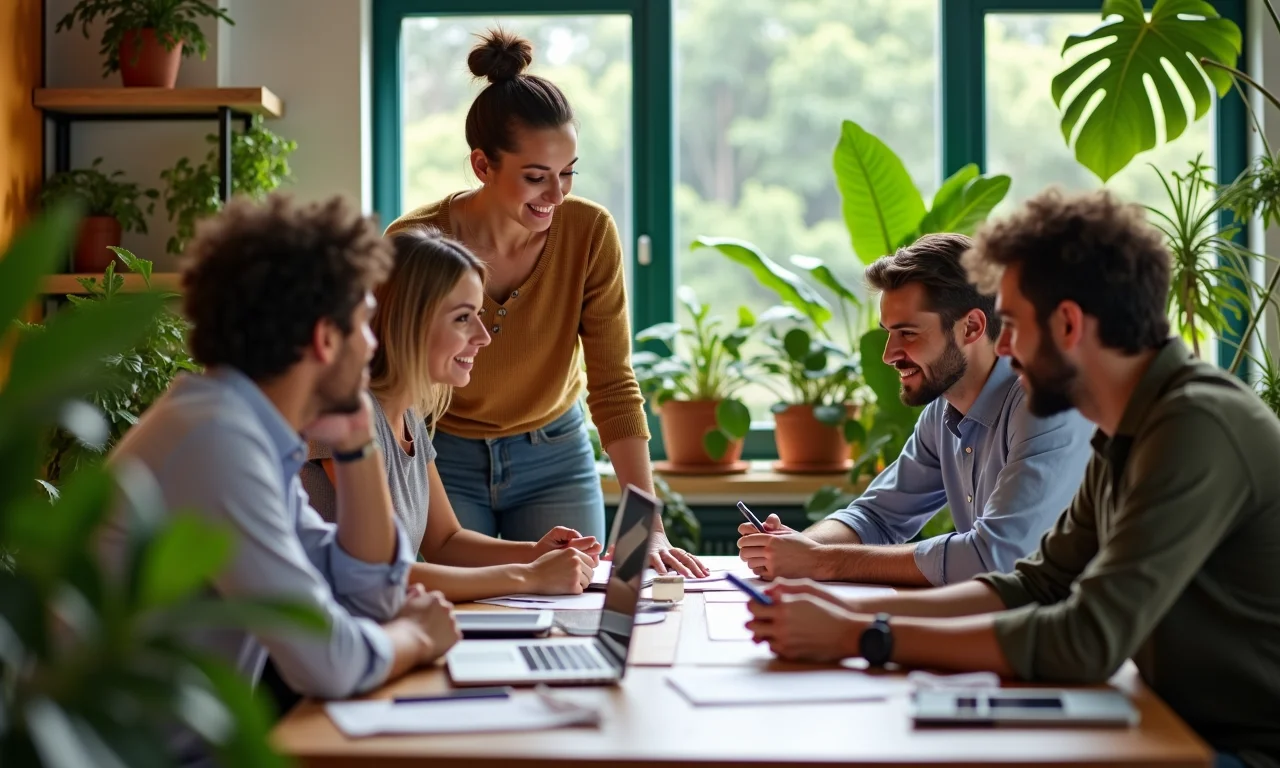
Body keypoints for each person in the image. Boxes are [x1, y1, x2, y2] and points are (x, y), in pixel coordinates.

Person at [745, 188, 1280, 768]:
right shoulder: (1128, 427)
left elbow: (1085, 639)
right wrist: (846, 615)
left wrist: (861, 636)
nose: (1001, 346)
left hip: (1232, 751)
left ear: (1068, 324)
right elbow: (1035, 583)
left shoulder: (1193, 427)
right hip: (1163, 726)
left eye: (1013, 324)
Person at [96, 194, 461, 761]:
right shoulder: (215, 440)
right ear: (325, 338)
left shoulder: (240, 430)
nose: (374, 343)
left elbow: (367, 596)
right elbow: (329, 660)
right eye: (365, 322)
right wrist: (414, 638)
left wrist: (358, 442)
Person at [384, 28, 706, 577]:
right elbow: (395, 382)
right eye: (536, 177)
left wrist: (646, 528)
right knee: (468, 609)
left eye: (568, 173)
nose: (557, 195)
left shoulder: (589, 232)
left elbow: (613, 383)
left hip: (554, 454)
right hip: (443, 452)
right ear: (482, 166)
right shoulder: (415, 243)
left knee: (573, 599)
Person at [737, 233, 1093, 586]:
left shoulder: (1045, 406)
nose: (888, 355)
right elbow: (876, 517)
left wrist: (820, 561)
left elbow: (994, 557)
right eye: (888, 333)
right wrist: (795, 548)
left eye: (907, 333)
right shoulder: (943, 411)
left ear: (971, 327)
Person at [300, 227, 604, 601]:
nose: (483, 336)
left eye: (478, 315)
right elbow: (388, 573)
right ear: (409, 321)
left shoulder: (408, 414)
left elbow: (445, 540)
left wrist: (535, 554)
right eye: (462, 318)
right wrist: (528, 576)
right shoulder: (349, 416)